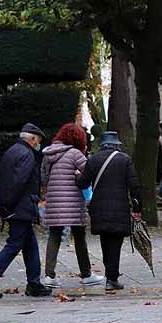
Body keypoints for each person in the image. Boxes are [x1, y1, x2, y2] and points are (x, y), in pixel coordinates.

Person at [0, 123, 51, 299]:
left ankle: (34, 284)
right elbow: (18, 183)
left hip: (16, 207)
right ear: (32, 138)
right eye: (38, 141)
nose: (38, 145)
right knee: (14, 244)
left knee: (30, 246)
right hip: (21, 208)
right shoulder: (27, 155)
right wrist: (5, 207)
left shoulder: (12, 151)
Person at [40, 123, 104, 288]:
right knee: (79, 237)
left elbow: (44, 177)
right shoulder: (75, 154)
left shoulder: (48, 154)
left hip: (54, 200)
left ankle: (49, 275)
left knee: (54, 235)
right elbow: (89, 174)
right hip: (73, 203)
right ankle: (86, 274)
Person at [77, 131, 141, 292]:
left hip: (99, 208)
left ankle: (110, 276)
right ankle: (112, 278)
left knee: (105, 242)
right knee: (116, 243)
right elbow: (134, 185)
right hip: (120, 207)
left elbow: (83, 183)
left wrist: (76, 176)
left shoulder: (93, 160)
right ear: (117, 145)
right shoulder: (125, 159)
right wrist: (137, 208)